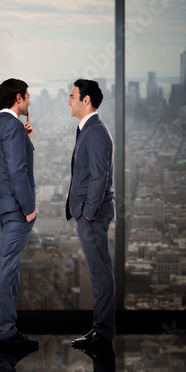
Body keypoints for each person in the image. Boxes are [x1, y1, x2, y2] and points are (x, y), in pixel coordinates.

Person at [0, 78, 38, 348]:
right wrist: (30, 209)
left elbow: (3, 167)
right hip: (16, 208)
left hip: (0, 206)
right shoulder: (14, 127)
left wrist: (26, 141)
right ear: (18, 98)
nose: (29, 101)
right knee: (6, 268)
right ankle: (4, 332)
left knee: (11, 266)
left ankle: (9, 329)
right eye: (27, 97)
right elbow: (18, 172)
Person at [65, 79, 116, 347]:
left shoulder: (95, 131)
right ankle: (101, 329)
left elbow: (99, 176)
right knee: (99, 271)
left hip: (92, 215)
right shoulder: (88, 128)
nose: (68, 101)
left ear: (86, 100)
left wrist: (87, 214)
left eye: (72, 96)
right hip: (89, 212)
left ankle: (103, 331)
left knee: (99, 273)